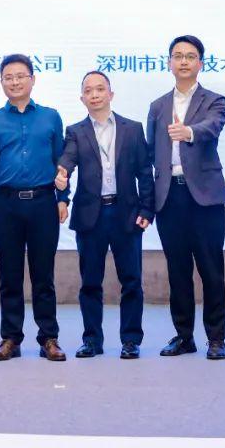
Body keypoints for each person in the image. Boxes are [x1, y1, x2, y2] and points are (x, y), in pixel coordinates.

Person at [0, 54, 69, 362]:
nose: (14, 82)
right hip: (6, 204)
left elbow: (61, 161)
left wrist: (63, 197)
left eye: (20, 76)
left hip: (43, 202)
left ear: (32, 79)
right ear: (1, 82)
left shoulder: (51, 117)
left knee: (44, 275)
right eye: (8, 77)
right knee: (10, 275)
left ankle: (49, 338)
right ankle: (11, 338)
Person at [56, 71, 154, 360]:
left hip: (127, 214)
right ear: (82, 98)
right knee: (90, 283)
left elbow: (144, 172)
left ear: (111, 94)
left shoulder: (132, 129)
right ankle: (92, 340)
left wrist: (147, 209)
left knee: (132, 281)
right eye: (89, 91)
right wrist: (61, 176)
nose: (95, 95)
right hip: (91, 215)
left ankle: (131, 340)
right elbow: (67, 161)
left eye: (100, 89)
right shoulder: (75, 131)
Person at [145, 35, 225, 360]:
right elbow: (151, 153)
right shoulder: (157, 106)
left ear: (200, 63)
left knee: (211, 270)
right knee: (177, 271)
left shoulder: (214, 100)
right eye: (178, 56)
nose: (183, 61)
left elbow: (212, 127)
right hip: (170, 198)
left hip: (205, 198)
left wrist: (188, 132)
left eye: (190, 56)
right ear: (169, 62)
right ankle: (184, 336)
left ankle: (216, 338)